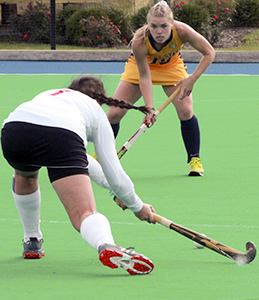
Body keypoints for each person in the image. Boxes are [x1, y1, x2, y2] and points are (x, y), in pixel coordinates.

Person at [0, 75, 156, 275]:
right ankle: (106, 244)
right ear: (100, 101)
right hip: (61, 138)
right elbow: (113, 172)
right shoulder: (96, 114)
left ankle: (32, 239)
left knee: (26, 175)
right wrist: (137, 205)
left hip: (13, 132)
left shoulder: (50, 95)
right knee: (84, 214)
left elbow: (82, 161)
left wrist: (115, 192)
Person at [107, 0, 215, 176]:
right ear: (147, 25)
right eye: (154, 26)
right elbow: (144, 76)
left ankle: (194, 160)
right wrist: (149, 108)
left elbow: (209, 53)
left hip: (171, 67)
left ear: (171, 24)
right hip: (141, 69)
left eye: (164, 26)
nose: (159, 31)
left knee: (186, 111)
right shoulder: (140, 41)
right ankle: (103, 155)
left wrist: (191, 80)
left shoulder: (182, 31)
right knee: (114, 113)